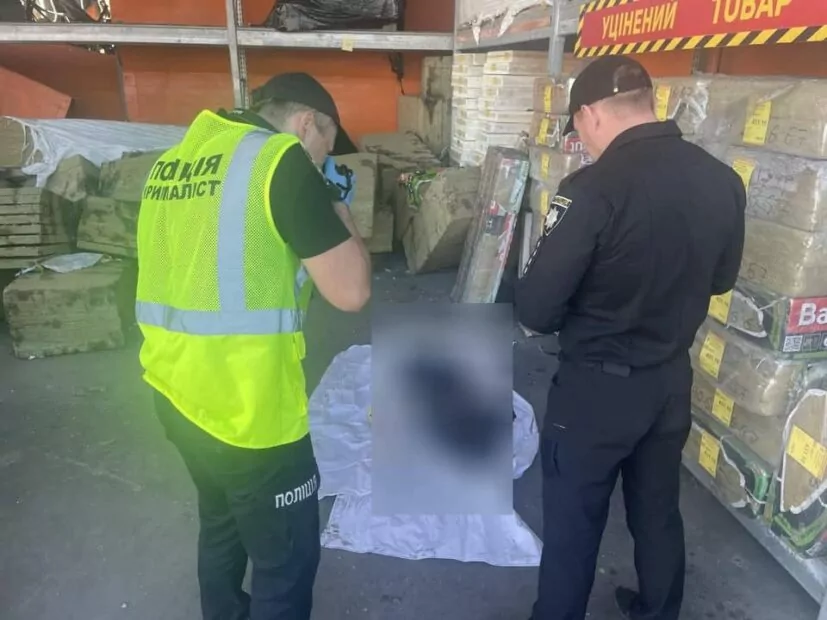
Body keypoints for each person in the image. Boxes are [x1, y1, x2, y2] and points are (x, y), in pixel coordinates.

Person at [515, 56, 746, 620]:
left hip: (595, 390)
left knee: (573, 522)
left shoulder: (591, 190)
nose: (582, 142)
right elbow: (721, 280)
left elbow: (537, 309)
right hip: (669, 381)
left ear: (591, 113)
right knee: (657, 509)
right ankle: (658, 610)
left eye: (578, 129)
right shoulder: (722, 179)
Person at [134, 72, 372, 620]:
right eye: (326, 146)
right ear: (306, 124)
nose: (323, 160)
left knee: (222, 523)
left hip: (175, 391)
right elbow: (352, 291)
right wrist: (337, 207)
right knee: (284, 563)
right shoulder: (280, 161)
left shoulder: (175, 160)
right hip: (251, 413)